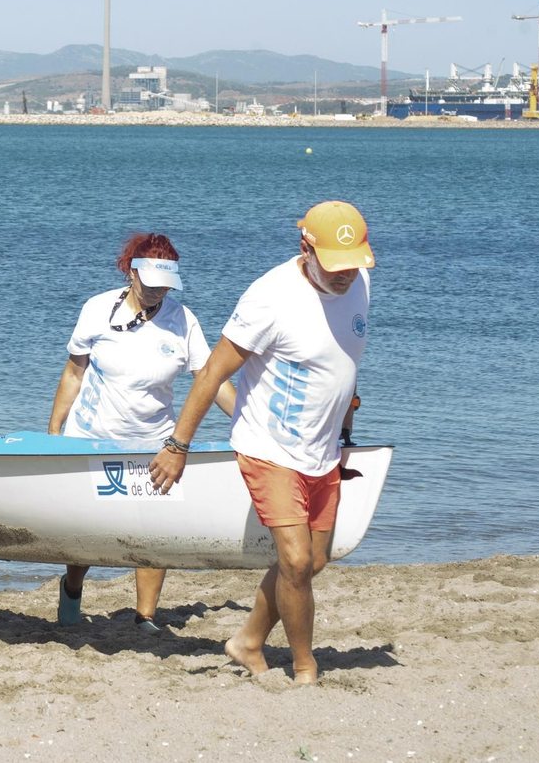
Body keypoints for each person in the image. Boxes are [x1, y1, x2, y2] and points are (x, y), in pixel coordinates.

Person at [149, 201, 374, 684]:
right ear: (305, 248)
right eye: (335, 265)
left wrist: (347, 432)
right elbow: (212, 373)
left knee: (311, 562)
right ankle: (305, 668)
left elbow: (343, 363)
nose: (346, 276)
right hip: (267, 446)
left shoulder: (361, 283)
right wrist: (178, 445)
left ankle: (247, 641)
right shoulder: (270, 298)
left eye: (354, 264)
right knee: (293, 560)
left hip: (322, 450)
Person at [46, 233, 235, 632]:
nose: (157, 293)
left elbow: (210, 378)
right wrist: (54, 432)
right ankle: (73, 587)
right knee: (85, 532)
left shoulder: (183, 321)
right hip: (90, 436)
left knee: (154, 530)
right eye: (150, 284)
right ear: (131, 273)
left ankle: (145, 616)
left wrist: (248, 419)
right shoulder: (98, 309)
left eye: (165, 286)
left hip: (155, 443)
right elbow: (73, 371)